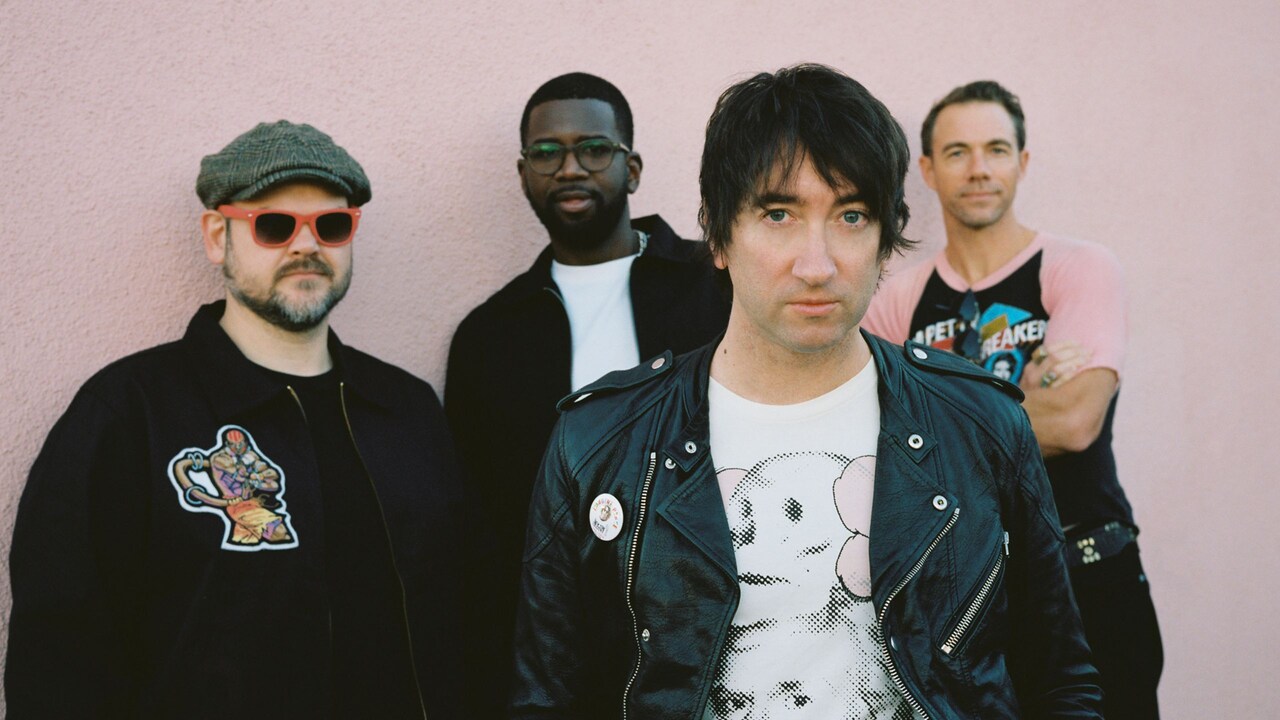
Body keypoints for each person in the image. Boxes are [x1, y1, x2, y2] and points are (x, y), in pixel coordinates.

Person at [511, 64, 1101, 719]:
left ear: (885, 241)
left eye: (850, 215)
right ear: (719, 234)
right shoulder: (599, 442)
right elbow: (547, 699)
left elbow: (1061, 681)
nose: (816, 264)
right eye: (779, 213)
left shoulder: (981, 423)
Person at [6, 121, 463, 719]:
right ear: (217, 237)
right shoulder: (129, 413)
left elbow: (464, 610)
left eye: (331, 225)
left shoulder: (407, 409)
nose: (307, 246)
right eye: (273, 226)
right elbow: (60, 658)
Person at [863, 80, 1162, 718]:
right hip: (961, 589)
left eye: (996, 149)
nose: (978, 169)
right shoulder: (897, 299)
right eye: (958, 152)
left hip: (1090, 570)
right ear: (928, 170)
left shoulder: (1077, 267)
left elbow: (1075, 421)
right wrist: (1026, 393)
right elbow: (877, 439)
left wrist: (937, 414)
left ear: (1022, 163)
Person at [445, 72, 728, 713]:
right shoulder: (489, 337)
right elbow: (477, 523)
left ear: (631, 169)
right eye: (547, 153)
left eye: (593, 149)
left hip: (713, 622)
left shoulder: (713, 289)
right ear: (523, 174)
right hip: (564, 648)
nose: (569, 167)